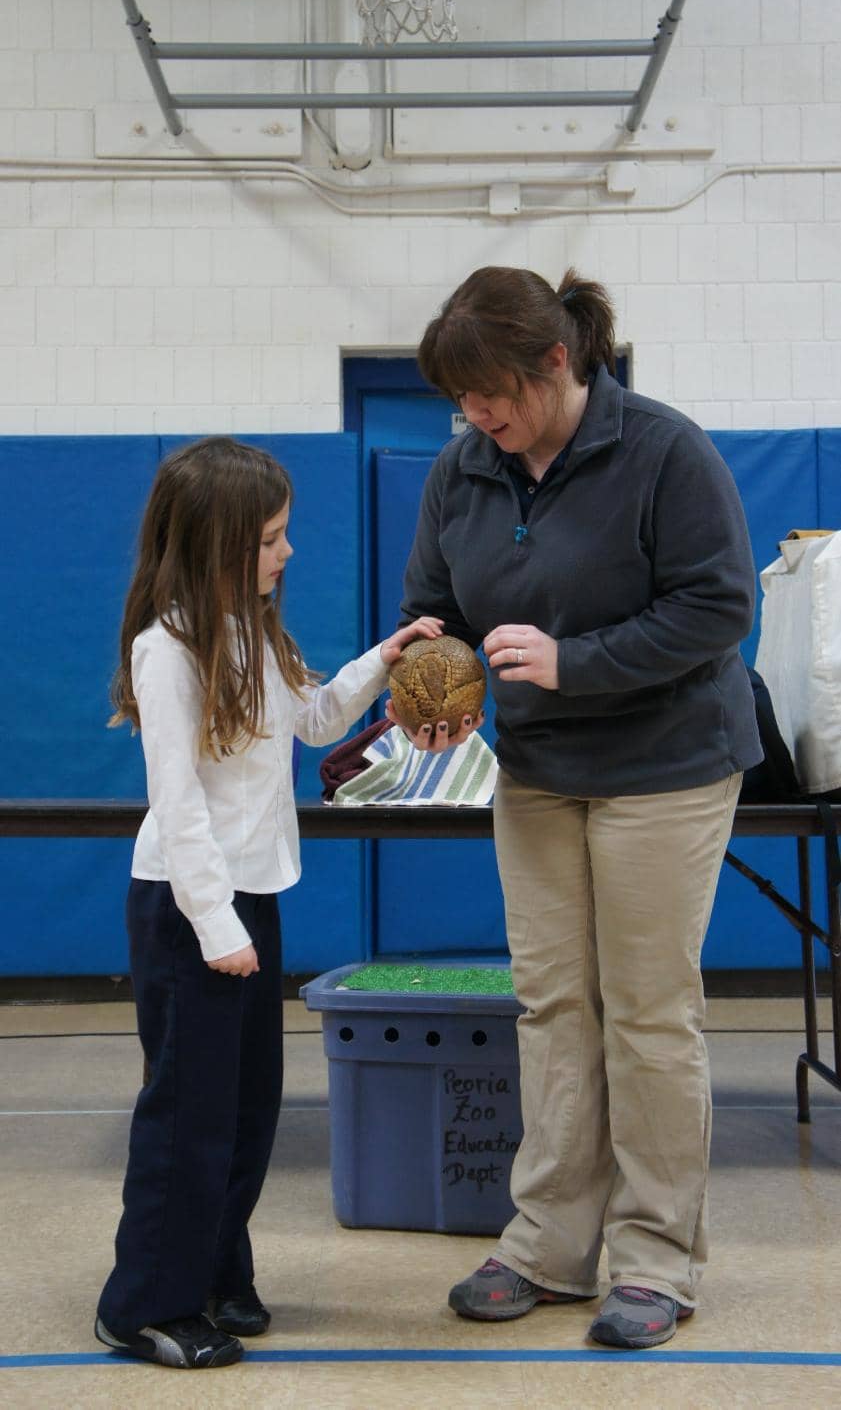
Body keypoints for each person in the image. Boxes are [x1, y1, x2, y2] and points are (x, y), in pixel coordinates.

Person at [398, 265, 762, 1350]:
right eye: (459, 402)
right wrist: (437, 676)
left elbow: (717, 605)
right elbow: (435, 607)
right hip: (539, 771)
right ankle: (548, 1244)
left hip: (666, 763)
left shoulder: (660, 449)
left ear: (554, 361)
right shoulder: (462, 470)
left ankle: (655, 1260)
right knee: (554, 1008)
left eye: (488, 394)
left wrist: (574, 662)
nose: (475, 418)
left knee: (646, 1012)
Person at [95, 436, 446, 1370]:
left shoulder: (253, 631)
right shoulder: (165, 649)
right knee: (189, 1114)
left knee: (250, 1109)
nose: (286, 553)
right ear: (215, 544)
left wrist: (388, 654)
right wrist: (215, 927)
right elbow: (177, 804)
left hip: (248, 902)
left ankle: (215, 1273)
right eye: (270, 538)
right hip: (188, 907)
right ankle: (145, 1305)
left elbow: (318, 718)